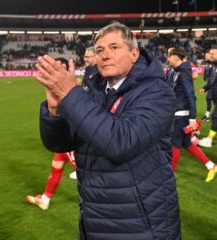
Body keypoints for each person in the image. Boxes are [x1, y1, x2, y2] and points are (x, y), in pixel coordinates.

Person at [35, 22, 180, 239]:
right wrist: (55, 112)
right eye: (100, 50)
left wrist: (70, 94)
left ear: (134, 53)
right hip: (95, 216)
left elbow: (121, 143)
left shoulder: (157, 92)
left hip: (140, 222)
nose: (104, 55)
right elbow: (61, 143)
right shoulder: (93, 89)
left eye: (114, 47)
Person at [27, 58, 77, 210]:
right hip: (63, 139)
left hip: (73, 139)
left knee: (85, 170)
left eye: (58, 65)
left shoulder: (77, 87)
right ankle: (45, 198)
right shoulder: (55, 89)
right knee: (56, 166)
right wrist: (53, 111)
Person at [167, 47, 217, 182]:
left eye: (169, 56)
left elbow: (191, 96)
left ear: (176, 57)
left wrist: (192, 118)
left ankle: (170, 174)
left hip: (181, 115)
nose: (167, 58)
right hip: (179, 112)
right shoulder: (178, 71)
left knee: (174, 144)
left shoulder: (183, 72)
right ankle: (211, 166)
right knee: (187, 144)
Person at [68, 47, 99, 180]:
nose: (85, 59)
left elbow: (96, 92)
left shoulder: (99, 72)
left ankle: (84, 168)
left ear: (96, 57)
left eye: (88, 57)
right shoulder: (89, 70)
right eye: (85, 57)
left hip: (93, 111)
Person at [201, 52, 214, 122]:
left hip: (213, 85)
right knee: (213, 100)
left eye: (207, 55)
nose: (205, 56)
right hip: (208, 85)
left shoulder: (214, 64)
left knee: (209, 98)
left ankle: (207, 116)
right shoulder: (207, 64)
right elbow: (206, 75)